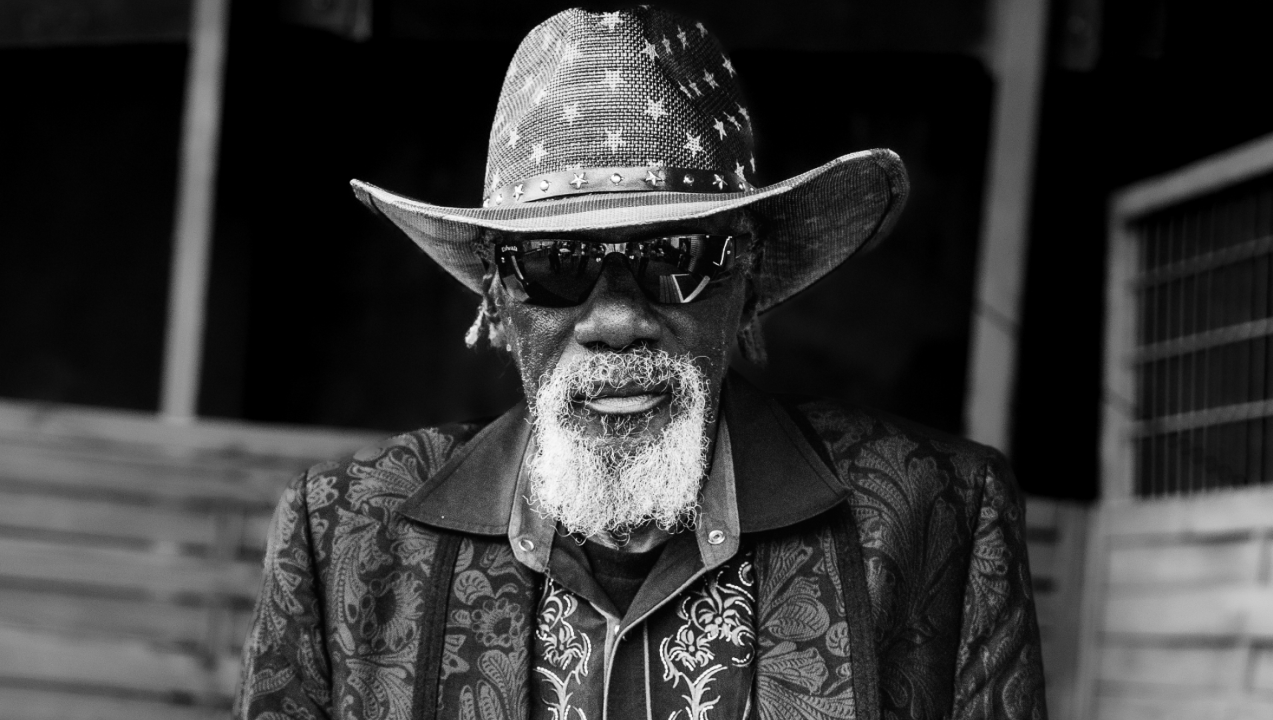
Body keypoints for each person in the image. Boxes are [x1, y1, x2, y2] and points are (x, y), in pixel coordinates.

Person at [235, 6, 1046, 720]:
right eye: (555, 264)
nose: (617, 322)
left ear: (749, 282)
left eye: (675, 257)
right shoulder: (343, 537)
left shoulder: (934, 517)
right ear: (495, 297)